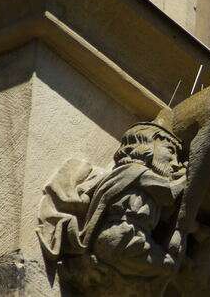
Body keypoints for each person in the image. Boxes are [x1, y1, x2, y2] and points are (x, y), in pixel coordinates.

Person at [37, 122, 186, 295]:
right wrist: (188, 175)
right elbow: (169, 194)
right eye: (170, 151)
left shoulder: (124, 175)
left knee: (166, 266)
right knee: (168, 266)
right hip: (124, 237)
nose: (175, 163)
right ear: (147, 146)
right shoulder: (136, 171)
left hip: (125, 238)